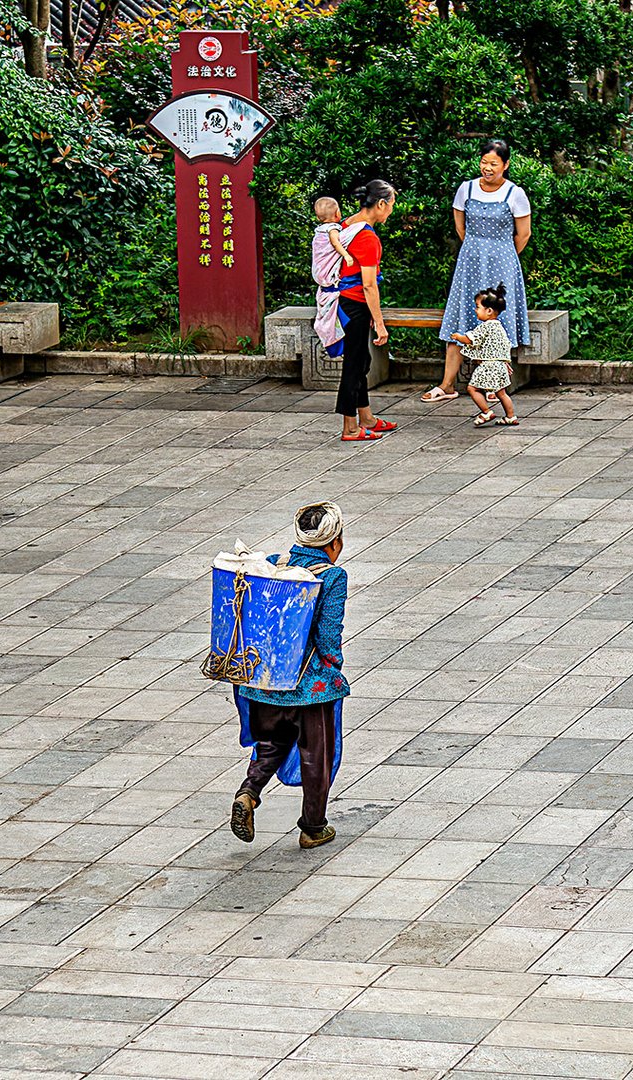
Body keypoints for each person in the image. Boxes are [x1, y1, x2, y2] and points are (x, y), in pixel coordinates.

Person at [230, 502, 351, 850]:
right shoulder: (331, 577)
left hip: (264, 681)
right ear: (334, 543)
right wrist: (332, 667)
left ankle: (249, 793)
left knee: (272, 743)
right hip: (309, 686)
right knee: (316, 754)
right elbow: (329, 633)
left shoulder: (272, 565)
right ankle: (313, 828)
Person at [422, 138, 532, 403]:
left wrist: (502, 256)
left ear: (505, 165)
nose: (488, 168)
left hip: (503, 263)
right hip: (469, 263)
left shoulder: (514, 193)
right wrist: (477, 250)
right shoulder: (466, 189)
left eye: (494, 163)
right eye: (484, 162)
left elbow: (524, 234)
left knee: (497, 324)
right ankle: (447, 385)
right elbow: (460, 228)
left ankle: (496, 385)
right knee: (460, 317)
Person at [336, 181, 398, 441]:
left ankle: (367, 418)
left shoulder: (347, 225)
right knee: (354, 366)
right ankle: (350, 427)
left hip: (343, 303)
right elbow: (369, 285)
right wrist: (380, 323)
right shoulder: (367, 238)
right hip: (355, 305)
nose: (391, 211)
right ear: (381, 204)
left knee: (362, 362)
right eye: (391, 205)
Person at [452, 283, 519, 427]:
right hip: (500, 365)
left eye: (477, 307)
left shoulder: (486, 326)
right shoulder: (499, 327)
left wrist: (458, 337)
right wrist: (505, 362)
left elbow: (471, 339)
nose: (475, 310)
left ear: (489, 310)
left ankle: (486, 411)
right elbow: (505, 346)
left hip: (488, 365)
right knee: (501, 393)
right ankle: (511, 416)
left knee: (472, 388)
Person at [311, 198, 363, 362]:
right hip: (331, 281)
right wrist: (346, 255)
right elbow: (335, 243)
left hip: (320, 276)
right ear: (336, 214)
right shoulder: (333, 230)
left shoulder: (319, 231)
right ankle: (341, 347)